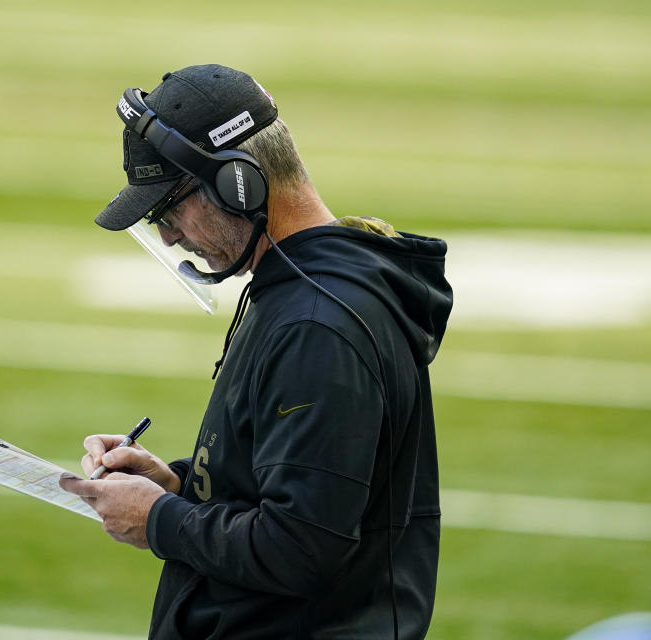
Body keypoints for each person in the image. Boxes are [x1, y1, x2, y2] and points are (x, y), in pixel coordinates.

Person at [60, 63, 453, 639]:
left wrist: (159, 520)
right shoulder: (305, 291)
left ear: (236, 183)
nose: (168, 235)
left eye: (169, 209)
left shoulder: (317, 325)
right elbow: (293, 493)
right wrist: (177, 486)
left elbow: (301, 546)